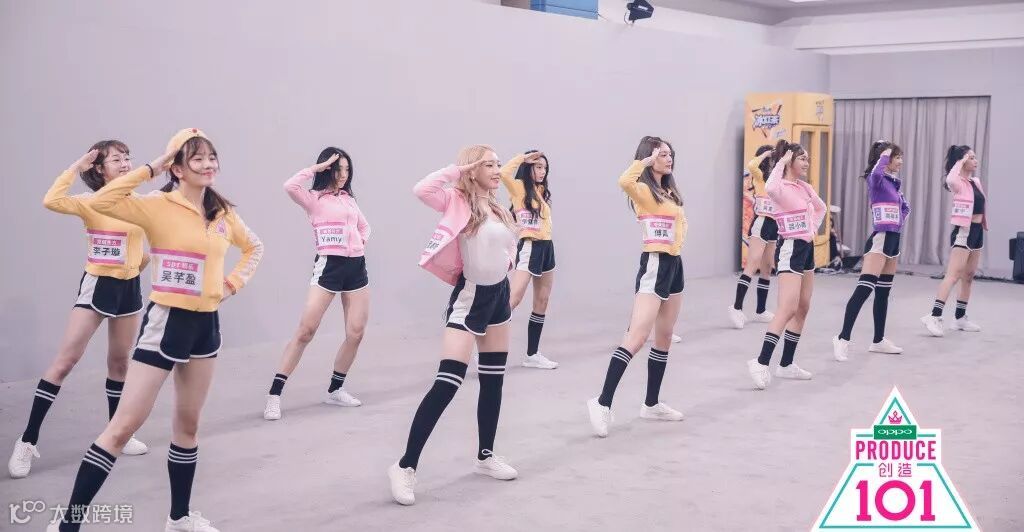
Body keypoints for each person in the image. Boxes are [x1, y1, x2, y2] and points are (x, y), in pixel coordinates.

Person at [49, 129, 263, 532]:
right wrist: (151, 167)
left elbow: (255, 247)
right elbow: (100, 201)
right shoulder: (155, 206)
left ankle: (179, 518)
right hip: (167, 323)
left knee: (188, 426)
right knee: (121, 428)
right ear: (176, 168)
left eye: (211, 157)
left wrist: (231, 284)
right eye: (196, 159)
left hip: (206, 326)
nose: (208, 165)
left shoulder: (221, 212)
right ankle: (68, 524)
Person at [388, 145, 520, 506]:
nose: (496, 170)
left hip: (498, 297)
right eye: (488, 164)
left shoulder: (498, 207)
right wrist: (457, 170)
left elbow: (507, 248)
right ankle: (404, 466)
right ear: (472, 169)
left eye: (497, 164)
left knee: (493, 381)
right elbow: (422, 189)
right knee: (447, 382)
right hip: (470, 298)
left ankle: (485, 456)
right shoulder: (456, 200)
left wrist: (508, 269)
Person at [10, 141, 150, 480]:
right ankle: (27, 441)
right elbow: (51, 200)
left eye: (127, 158)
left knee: (120, 363)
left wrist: (136, 266)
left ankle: (118, 433)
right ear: (99, 168)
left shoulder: (140, 203)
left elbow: (145, 248)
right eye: (116, 159)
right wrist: (75, 166)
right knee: (65, 362)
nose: (125, 163)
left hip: (128, 289)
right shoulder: (90, 202)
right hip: (98, 286)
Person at [586, 136, 687, 439]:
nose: (668, 158)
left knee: (664, 336)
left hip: (674, 265)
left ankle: (651, 403)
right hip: (655, 264)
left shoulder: (669, 191)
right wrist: (643, 162)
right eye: (662, 154)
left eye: (670, 154)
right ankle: (602, 402)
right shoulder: (643, 190)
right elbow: (624, 181)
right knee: (637, 337)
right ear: (650, 157)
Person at [264, 148, 371, 420]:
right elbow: (290, 186)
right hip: (329, 267)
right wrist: (315, 168)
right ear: (327, 170)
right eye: (338, 169)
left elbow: (364, 227)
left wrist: (359, 244)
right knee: (306, 331)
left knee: (356, 333)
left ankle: (335, 390)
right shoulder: (313, 199)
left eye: (347, 169)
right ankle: (274, 395)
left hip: (356, 268)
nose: (343, 175)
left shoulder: (349, 199)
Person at [745, 140, 825, 390]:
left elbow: (821, 208)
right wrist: (781, 161)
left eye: (807, 159)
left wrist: (811, 228)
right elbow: (769, 186)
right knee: (787, 308)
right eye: (802, 159)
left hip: (806, 249)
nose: (807, 163)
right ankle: (761, 361)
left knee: (803, 307)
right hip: (790, 248)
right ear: (790, 161)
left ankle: (787, 364)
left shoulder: (804, 187)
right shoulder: (779, 186)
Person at [832, 141, 909, 360]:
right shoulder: (875, 180)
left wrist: (899, 218)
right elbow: (876, 171)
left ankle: (878, 340)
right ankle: (842, 338)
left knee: (883, 293)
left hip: (893, 240)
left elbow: (905, 208)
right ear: (885, 158)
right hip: (880, 240)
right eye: (897, 157)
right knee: (864, 290)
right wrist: (885, 151)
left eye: (900, 157)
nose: (901, 161)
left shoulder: (893, 183)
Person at [499, 150, 558, 369]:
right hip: (530, 246)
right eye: (538, 167)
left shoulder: (540, 191)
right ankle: (485, 348)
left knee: (542, 301)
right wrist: (522, 158)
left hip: (547, 248)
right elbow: (503, 173)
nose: (542, 171)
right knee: (512, 300)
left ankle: (532, 354)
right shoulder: (519, 187)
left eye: (545, 168)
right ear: (528, 167)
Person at [920, 145, 986, 336]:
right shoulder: (957, 183)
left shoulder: (975, 182)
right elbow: (950, 178)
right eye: (971, 158)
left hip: (977, 231)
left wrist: (966, 158)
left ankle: (959, 318)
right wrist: (961, 160)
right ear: (962, 161)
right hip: (964, 232)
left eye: (974, 157)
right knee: (953, 275)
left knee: (969, 275)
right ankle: (934, 315)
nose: (975, 161)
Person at [728, 145, 778, 328]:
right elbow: (751, 165)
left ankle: (761, 310)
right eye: (771, 159)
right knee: (752, 264)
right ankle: (736, 307)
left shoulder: (777, 178)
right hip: (762, 223)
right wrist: (765, 153)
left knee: (767, 267)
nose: (773, 161)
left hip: (774, 226)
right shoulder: (759, 177)